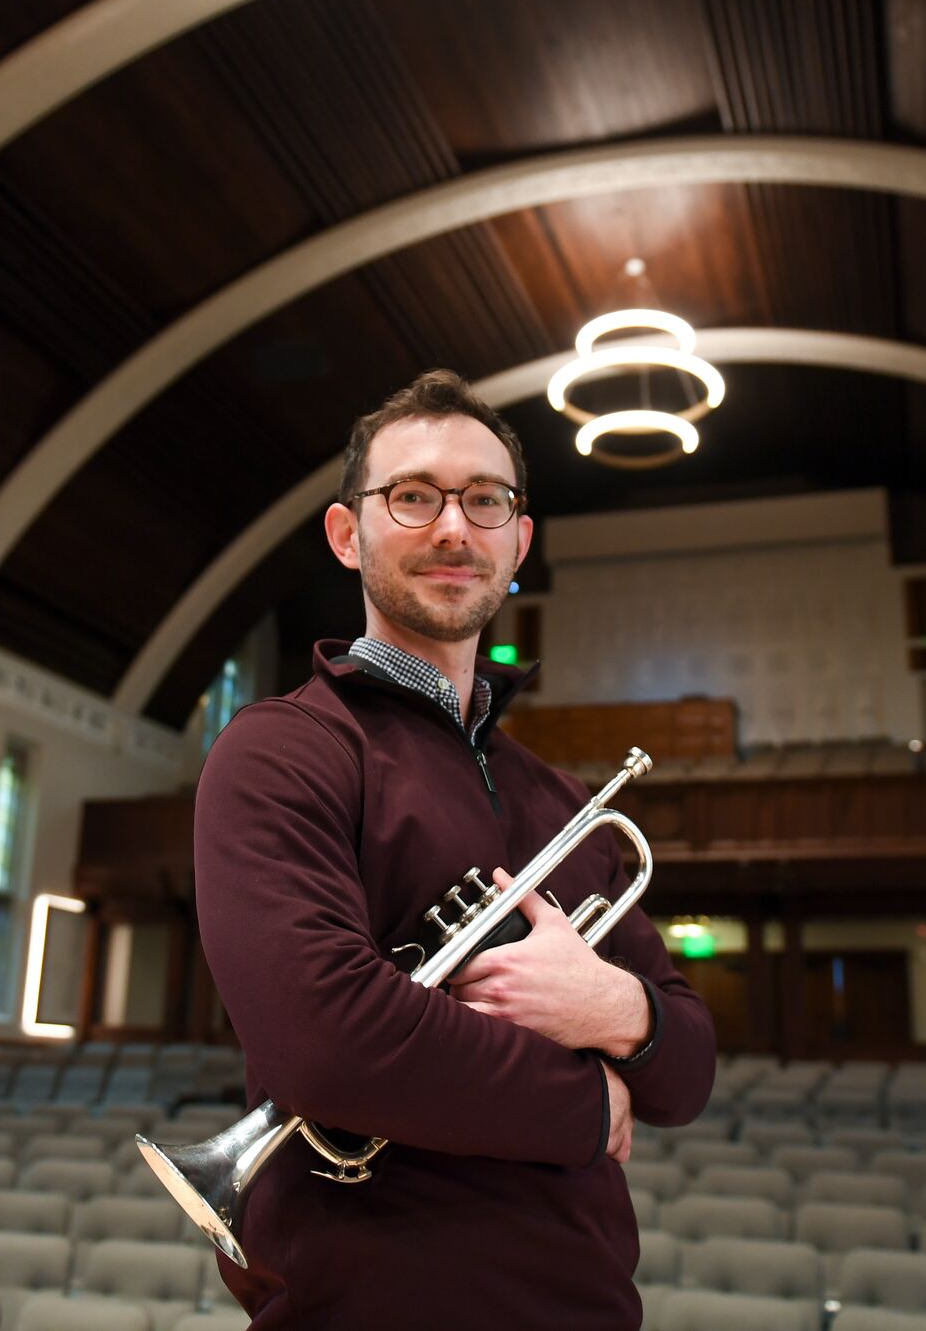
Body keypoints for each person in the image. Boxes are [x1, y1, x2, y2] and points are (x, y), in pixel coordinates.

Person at [193, 370, 716, 1329]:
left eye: (485, 500)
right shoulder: (280, 751)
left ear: (517, 541)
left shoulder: (559, 799)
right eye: (412, 495)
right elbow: (329, 1040)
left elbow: (686, 1069)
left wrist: (611, 1003)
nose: (452, 527)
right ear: (348, 534)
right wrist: (583, 1104)